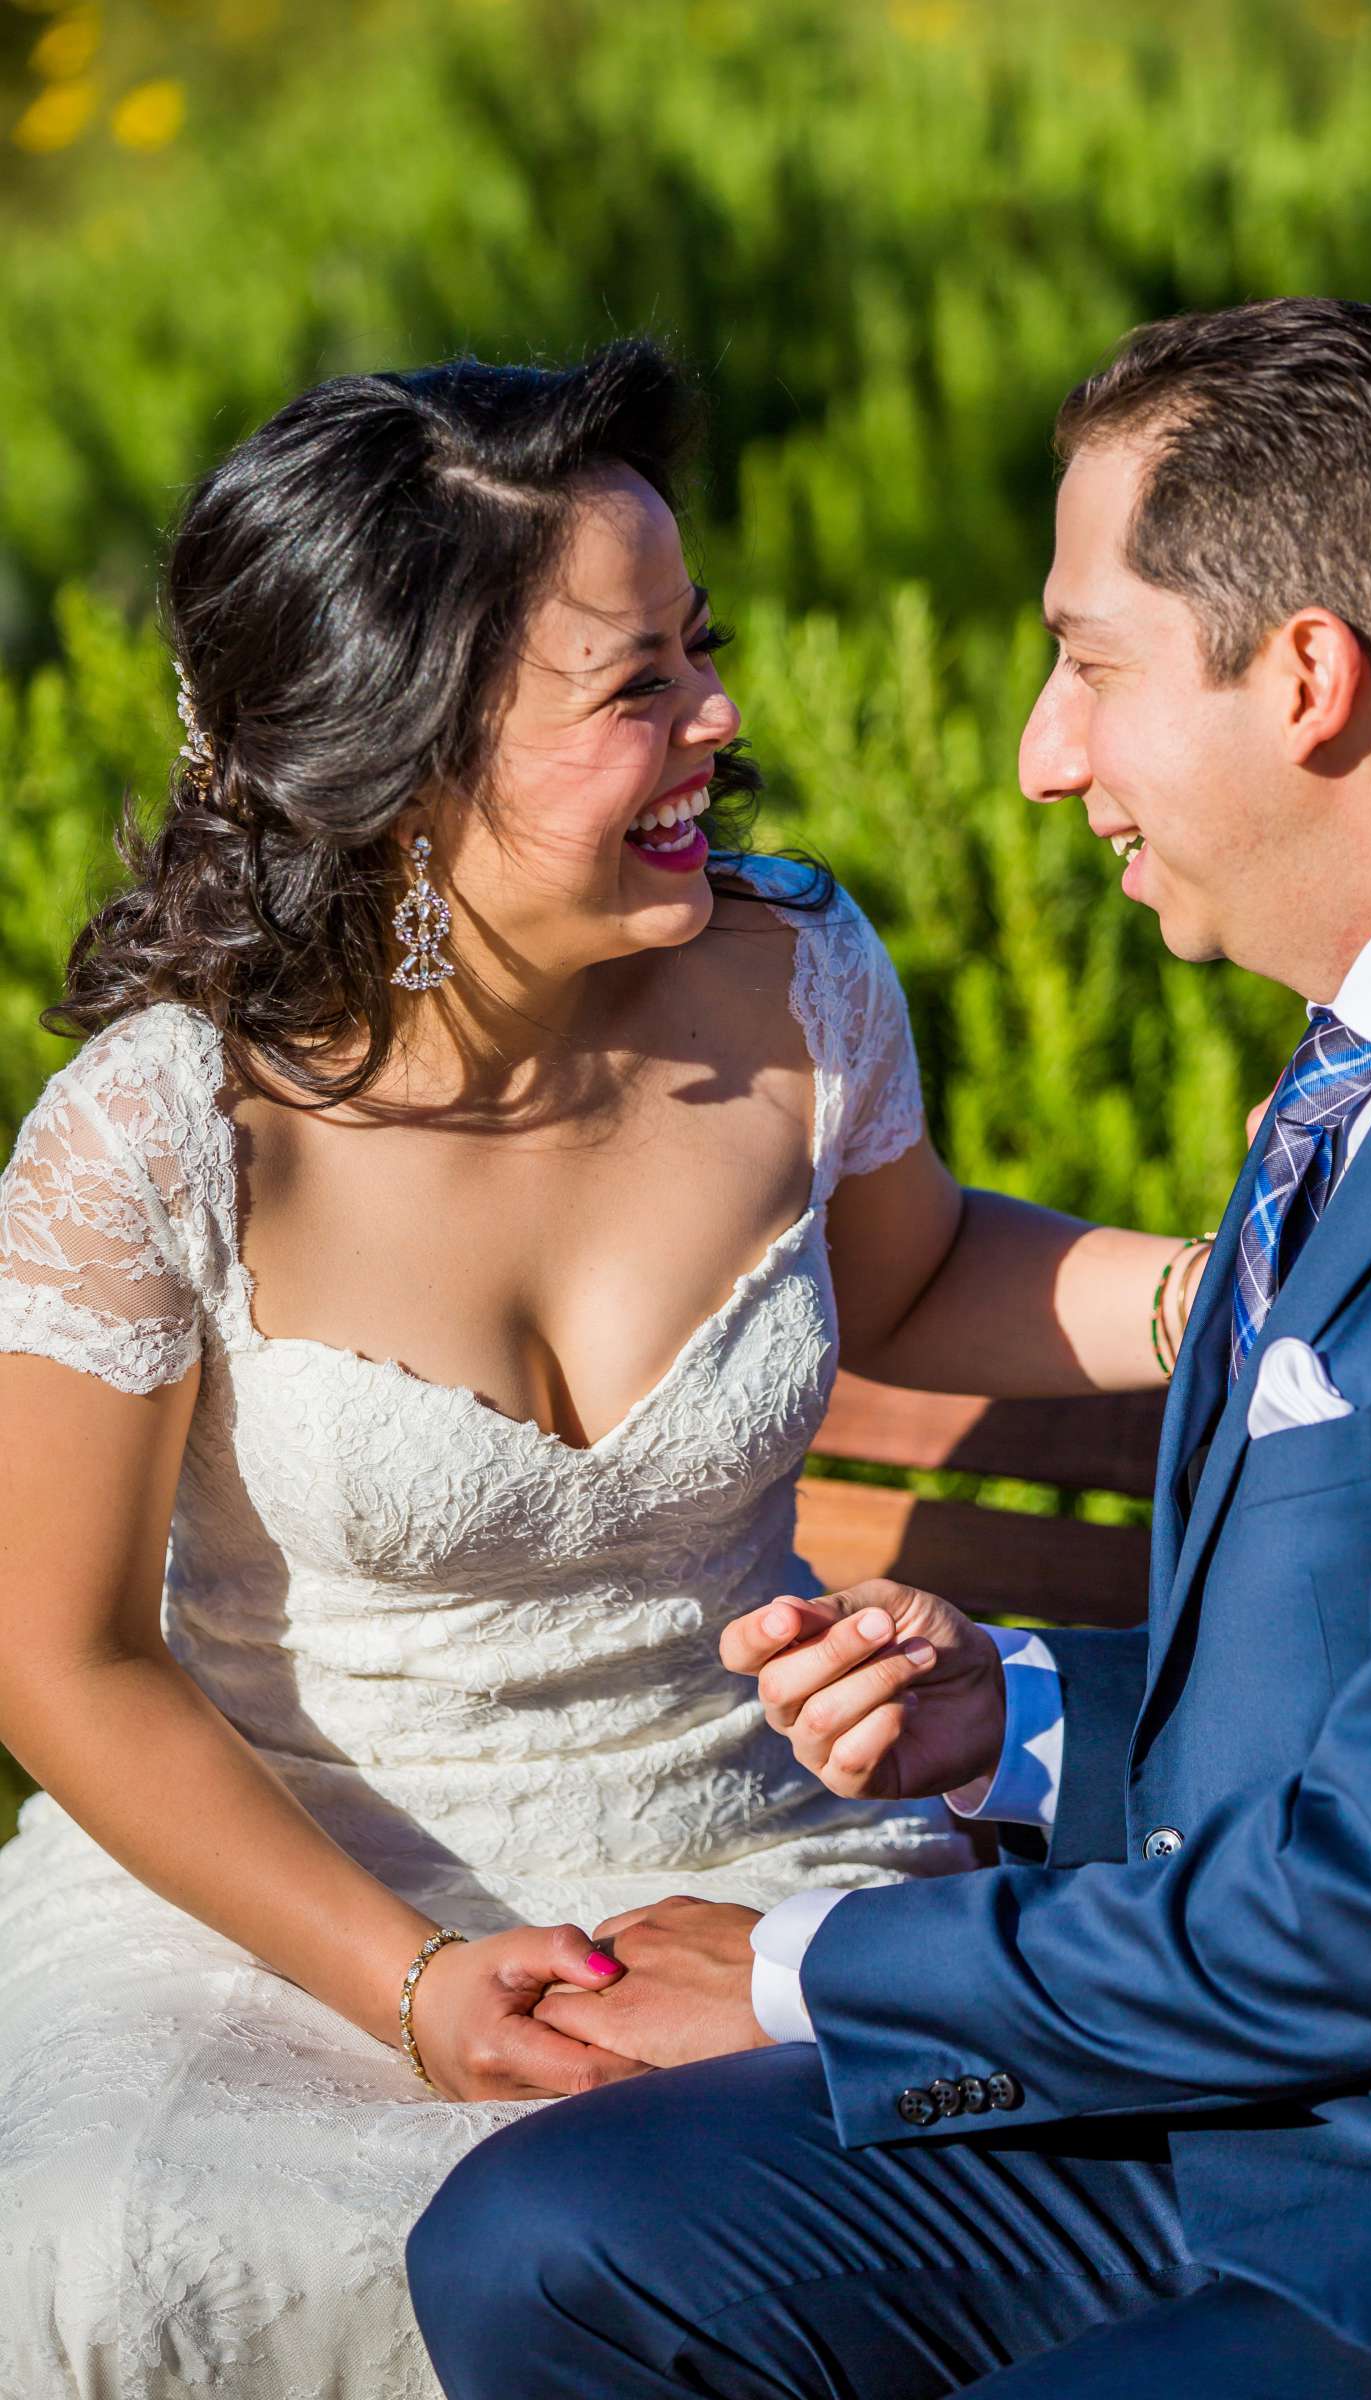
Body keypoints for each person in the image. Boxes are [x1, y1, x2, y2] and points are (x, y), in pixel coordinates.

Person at [407, 298, 1371, 2400]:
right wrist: (1025, 1715)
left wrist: (804, 1971)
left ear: (1304, 676)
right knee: (541, 2239)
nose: (1043, 753)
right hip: (1243, 2084)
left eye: (1088, 658)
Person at [0, 341, 1191, 2397]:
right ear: (402, 753)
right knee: (123, 2242)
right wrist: (414, 1980)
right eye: (634, 687)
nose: (718, 723)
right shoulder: (161, 1132)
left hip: (742, 1856)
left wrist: (1254, 1288)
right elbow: (63, 1663)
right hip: (276, 1906)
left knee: (889, 2202)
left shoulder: (795, 977)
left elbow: (910, 1289)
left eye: (695, 655)